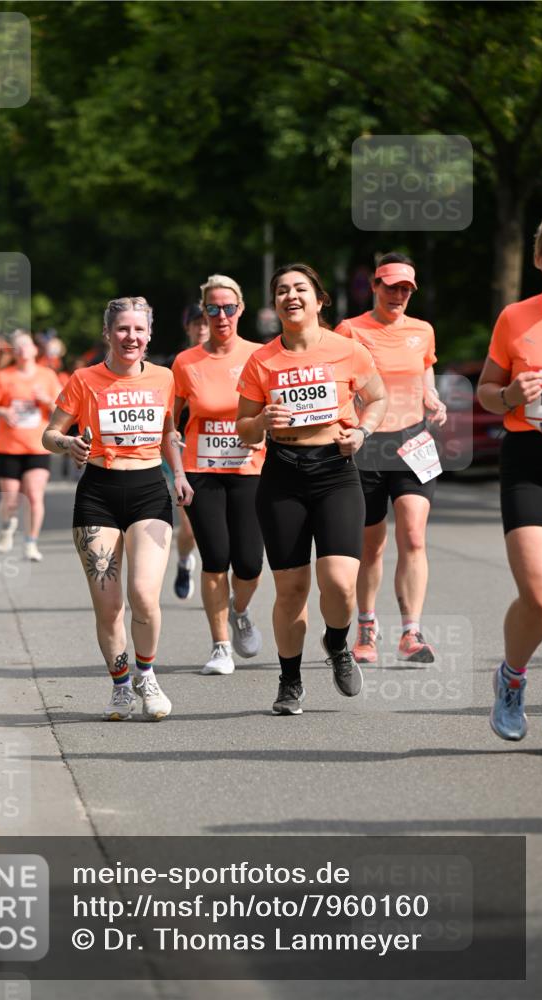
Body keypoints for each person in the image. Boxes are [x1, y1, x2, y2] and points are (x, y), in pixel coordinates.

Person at [236, 263, 387, 714]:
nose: (290, 296)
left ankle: (337, 643)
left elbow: (377, 398)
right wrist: (260, 422)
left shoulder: (348, 350)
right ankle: (290, 680)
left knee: (340, 584)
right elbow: (243, 428)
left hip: (336, 472)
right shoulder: (261, 360)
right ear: (274, 303)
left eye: (300, 288)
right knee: (292, 589)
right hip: (282, 475)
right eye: (281, 290)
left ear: (320, 300)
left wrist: (361, 433)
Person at [42, 296, 194, 721]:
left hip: (149, 489)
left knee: (144, 595)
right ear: (108, 333)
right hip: (98, 493)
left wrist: (179, 475)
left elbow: (169, 433)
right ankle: (121, 685)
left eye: (139, 330)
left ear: (149, 335)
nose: (131, 337)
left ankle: (147, 675)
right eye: (122, 329)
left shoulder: (164, 378)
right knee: (109, 606)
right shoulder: (84, 379)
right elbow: (49, 433)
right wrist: (67, 442)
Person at [336, 254, 448, 665]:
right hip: (368, 445)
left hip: (413, 442)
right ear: (376, 287)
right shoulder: (351, 330)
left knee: (414, 537)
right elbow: (340, 380)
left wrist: (431, 396)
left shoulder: (422, 331)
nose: (399, 295)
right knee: (371, 546)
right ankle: (366, 627)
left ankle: (410, 632)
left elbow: (425, 372)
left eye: (406, 289)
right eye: (392, 287)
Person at [173, 277, 265, 675]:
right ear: (203, 312)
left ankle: (240, 611)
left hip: (250, 469)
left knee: (248, 563)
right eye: (213, 309)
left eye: (228, 308)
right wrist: (176, 471)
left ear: (241, 309)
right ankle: (220, 646)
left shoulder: (261, 356)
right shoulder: (186, 362)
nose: (221, 316)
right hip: (202, 471)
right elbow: (169, 424)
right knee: (215, 559)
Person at [477, 218, 542, 741]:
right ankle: (512, 678)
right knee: (540, 595)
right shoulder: (517, 317)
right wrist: (511, 396)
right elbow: (486, 392)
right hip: (530, 458)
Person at [0, 332, 61, 561]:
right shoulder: (3, 377)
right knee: (11, 499)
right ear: (14, 353)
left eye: (26, 345)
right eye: (17, 347)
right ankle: (7, 527)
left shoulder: (47, 376)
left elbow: (61, 410)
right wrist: (3, 411)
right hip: (8, 447)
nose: (22, 349)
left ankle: (31, 543)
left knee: (35, 496)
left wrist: (46, 400)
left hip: (38, 446)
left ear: (35, 350)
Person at [172, 303, 209, 600]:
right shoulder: (181, 364)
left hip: (228, 455)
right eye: (196, 323)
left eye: (206, 322)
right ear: (188, 328)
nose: (202, 328)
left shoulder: (234, 360)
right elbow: (168, 415)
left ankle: (219, 583)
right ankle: (185, 561)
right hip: (185, 455)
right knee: (190, 527)